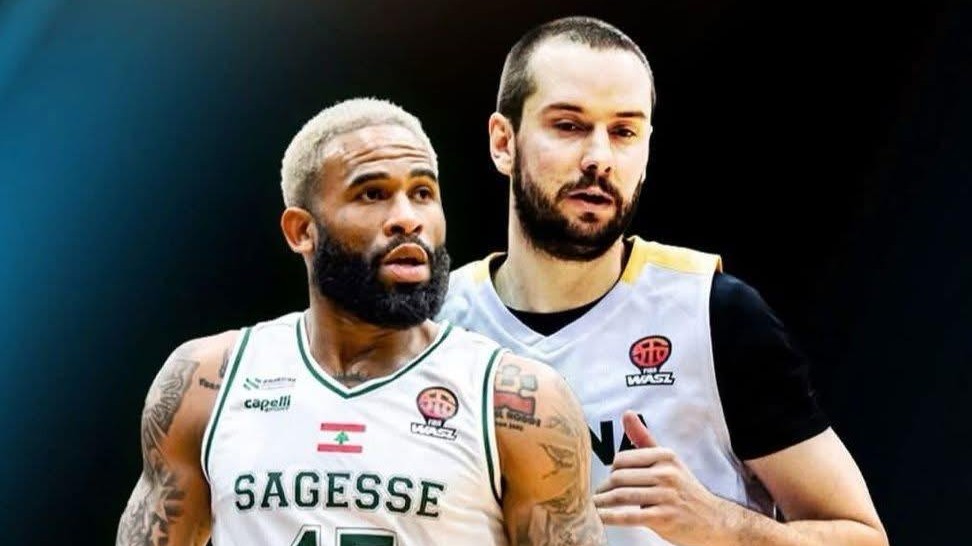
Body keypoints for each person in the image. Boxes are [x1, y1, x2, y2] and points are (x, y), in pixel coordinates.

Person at [438, 17, 888, 546]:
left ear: (646, 151)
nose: (599, 158)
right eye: (569, 126)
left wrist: (719, 524)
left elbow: (864, 537)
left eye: (623, 132)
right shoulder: (434, 327)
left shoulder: (713, 314)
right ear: (503, 142)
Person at [116, 98, 605, 546]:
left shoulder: (515, 400)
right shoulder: (207, 381)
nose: (407, 218)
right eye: (372, 194)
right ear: (301, 231)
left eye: (422, 193)